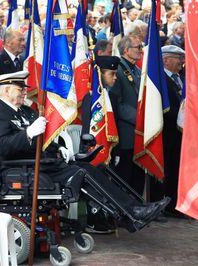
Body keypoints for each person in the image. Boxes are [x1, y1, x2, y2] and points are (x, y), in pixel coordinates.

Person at [0, 70, 170, 233]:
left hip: (46, 163)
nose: (25, 92)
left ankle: (135, 210)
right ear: (6, 90)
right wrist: (28, 134)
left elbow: (45, 138)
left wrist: (60, 148)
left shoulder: (26, 111)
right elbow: (2, 147)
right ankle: (132, 214)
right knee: (83, 172)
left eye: (24, 88)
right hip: (24, 168)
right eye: (20, 89)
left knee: (94, 167)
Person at [80, 56, 120, 233]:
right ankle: (94, 219)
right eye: (112, 74)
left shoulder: (107, 95)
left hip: (105, 148)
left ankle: (105, 214)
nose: (115, 77)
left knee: (107, 181)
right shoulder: (92, 98)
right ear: (100, 74)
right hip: (92, 147)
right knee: (95, 183)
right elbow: (89, 127)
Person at [109, 35, 145, 195]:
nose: (141, 50)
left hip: (138, 132)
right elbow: (118, 104)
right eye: (138, 47)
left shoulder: (136, 69)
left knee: (138, 173)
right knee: (125, 174)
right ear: (126, 50)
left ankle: (138, 205)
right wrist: (140, 118)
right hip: (126, 132)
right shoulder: (118, 70)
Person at [160, 45, 185, 217]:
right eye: (178, 58)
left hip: (182, 134)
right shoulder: (161, 80)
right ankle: (169, 205)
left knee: (178, 169)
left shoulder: (181, 78)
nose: (182, 62)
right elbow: (166, 107)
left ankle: (178, 203)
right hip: (168, 133)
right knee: (169, 170)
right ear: (166, 60)